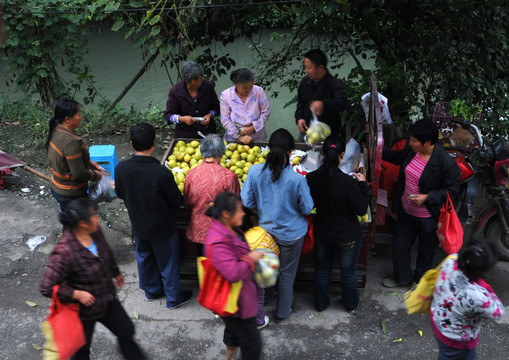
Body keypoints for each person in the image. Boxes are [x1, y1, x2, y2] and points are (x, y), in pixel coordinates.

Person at [40, 198, 145, 360]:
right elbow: (46, 287)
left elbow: (106, 252)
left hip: (106, 298)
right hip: (82, 312)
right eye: (95, 215)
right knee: (80, 352)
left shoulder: (94, 232)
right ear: (83, 223)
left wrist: (115, 272)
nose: (98, 217)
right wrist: (76, 294)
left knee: (126, 331)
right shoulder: (64, 252)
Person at [114, 123, 193, 308]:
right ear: (155, 143)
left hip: (139, 225)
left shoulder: (121, 169)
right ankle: (173, 298)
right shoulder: (161, 172)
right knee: (168, 262)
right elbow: (176, 201)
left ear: (131, 143)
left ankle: (151, 291)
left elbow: (119, 193)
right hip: (162, 228)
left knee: (145, 258)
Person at [241, 128, 314, 323]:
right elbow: (307, 208)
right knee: (287, 274)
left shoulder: (255, 171)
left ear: (268, 148)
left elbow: (247, 202)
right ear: (291, 152)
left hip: (266, 232)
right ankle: (282, 312)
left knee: (268, 267)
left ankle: (265, 300)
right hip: (291, 235)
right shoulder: (297, 179)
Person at [381, 119, 460, 288]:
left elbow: (452, 190)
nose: (410, 143)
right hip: (406, 210)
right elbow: (396, 157)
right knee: (399, 245)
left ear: (428, 142)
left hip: (429, 216)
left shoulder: (444, 163)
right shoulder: (411, 151)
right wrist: (378, 148)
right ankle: (402, 278)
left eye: (414, 141)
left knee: (426, 250)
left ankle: (420, 281)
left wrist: (427, 197)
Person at [306, 135, 369, 312]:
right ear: (342, 155)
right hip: (347, 234)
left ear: (323, 154)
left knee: (322, 270)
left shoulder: (311, 179)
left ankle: (320, 304)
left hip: (323, 232)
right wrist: (363, 185)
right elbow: (361, 209)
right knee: (348, 273)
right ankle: (350, 304)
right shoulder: (349, 182)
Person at [204, 192, 264, 360]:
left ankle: (230, 356)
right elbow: (233, 272)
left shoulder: (232, 228)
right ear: (226, 214)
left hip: (238, 297)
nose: (243, 213)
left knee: (235, 333)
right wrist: (250, 259)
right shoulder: (218, 241)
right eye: (239, 210)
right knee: (253, 347)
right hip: (235, 301)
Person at [430, 240, 504, 359]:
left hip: (438, 319)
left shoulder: (450, 261)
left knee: (445, 353)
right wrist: (487, 288)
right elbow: (498, 312)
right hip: (456, 339)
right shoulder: (477, 296)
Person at [184, 134, 240, 254]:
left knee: (204, 266)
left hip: (198, 230)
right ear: (221, 153)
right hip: (221, 233)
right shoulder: (229, 176)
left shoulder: (191, 174)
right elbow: (235, 206)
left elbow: (188, 203)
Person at [46, 98, 105, 211]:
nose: (81, 117)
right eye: (78, 114)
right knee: (78, 225)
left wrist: (88, 163)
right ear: (68, 119)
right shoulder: (70, 141)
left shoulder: (57, 130)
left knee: (72, 222)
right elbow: (79, 173)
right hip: (70, 193)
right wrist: (97, 176)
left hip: (57, 186)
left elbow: (66, 159)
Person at [295, 49, 348, 141]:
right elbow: (300, 103)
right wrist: (299, 118)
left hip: (328, 134)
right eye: (305, 67)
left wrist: (324, 104)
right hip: (307, 132)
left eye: (309, 67)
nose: (306, 70)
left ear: (320, 67)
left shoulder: (334, 84)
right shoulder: (305, 82)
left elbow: (342, 103)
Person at [241, 207, 280, 329]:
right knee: (259, 297)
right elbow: (275, 253)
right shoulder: (265, 235)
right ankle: (259, 320)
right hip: (259, 274)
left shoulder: (239, 237)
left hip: (244, 272)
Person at [164, 61, 220, 138]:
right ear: (188, 81)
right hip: (184, 135)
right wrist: (182, 119)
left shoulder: (208, 86)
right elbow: (168, 115)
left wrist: (209, 115)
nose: (200, 82)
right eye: (197, 80)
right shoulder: (176, 91)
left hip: (208, 133)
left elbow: (216, 107)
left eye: (201, 78)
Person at [220, 68, 270, 144]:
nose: (248, 90)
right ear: (235, 84)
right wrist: (239, 135)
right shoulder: (226, 95)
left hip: (257, 136)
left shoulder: (259, 91)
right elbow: (225, 119)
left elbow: (265, 113)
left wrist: (251, 128)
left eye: (251, 86)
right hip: (233, 138)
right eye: (245, 88)